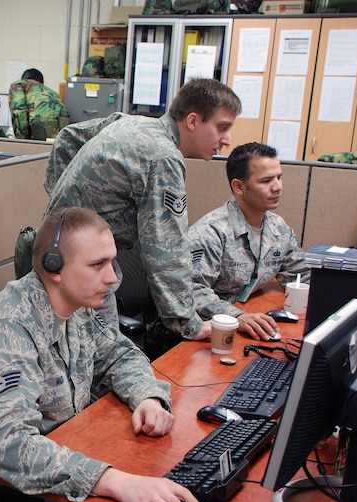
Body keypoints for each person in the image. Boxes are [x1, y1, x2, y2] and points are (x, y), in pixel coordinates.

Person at [0, 206, 200, 502]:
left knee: (176, 494)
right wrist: (113, 481)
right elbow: (6, 446)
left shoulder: (74, 307)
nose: (113, 278)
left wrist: (148, 397)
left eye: (113, 262)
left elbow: (119, 353)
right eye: (98, 264)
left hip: (68, 441)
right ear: (54, 267)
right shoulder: (7, 331)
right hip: (9, 480)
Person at [44, 78, 242, 357]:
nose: (227, 140)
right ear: (193, 121)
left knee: (76, 357)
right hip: (80, 275)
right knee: (107, 361)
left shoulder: (133, 123)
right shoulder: (163, 157)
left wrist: (60, 210)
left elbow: (68, 137)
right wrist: (189, 324)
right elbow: (166, 251)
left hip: (55, 255)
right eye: (222, 127)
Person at [189, 142, 310, 339]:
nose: (277, 187)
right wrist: (237, 316)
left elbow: (299, 275)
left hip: (249, 318)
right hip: (208, 330)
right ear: (239, 186)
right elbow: (191, 291)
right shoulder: (210, 232)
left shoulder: (279, 228)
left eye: (279, 178)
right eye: (266, 181)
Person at [9, 68, 69, 140]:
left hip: (39, 128)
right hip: (61, 135)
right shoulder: (53, 93)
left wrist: (22, 139)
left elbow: (18, 113)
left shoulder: (19, 85)